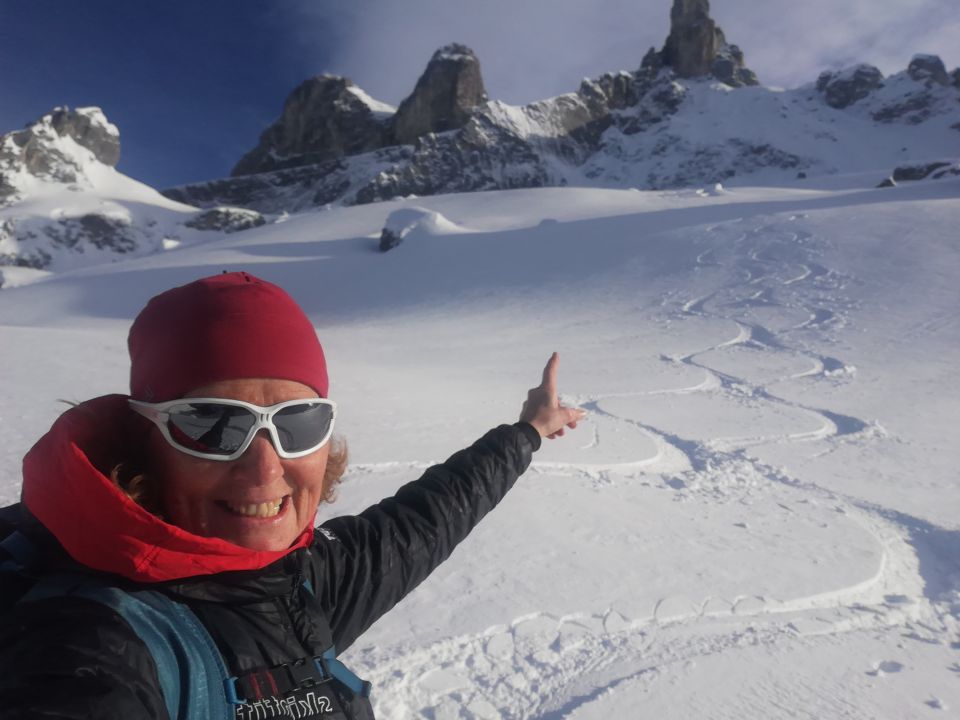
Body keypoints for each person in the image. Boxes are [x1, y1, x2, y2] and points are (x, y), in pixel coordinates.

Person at [0, 271, 586, 720]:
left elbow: (429, 517)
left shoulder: (298, 580)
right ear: (144, 441)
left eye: (298, 422)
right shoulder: (89, 639)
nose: (264, 467)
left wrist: (529, 431)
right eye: (212, 424)